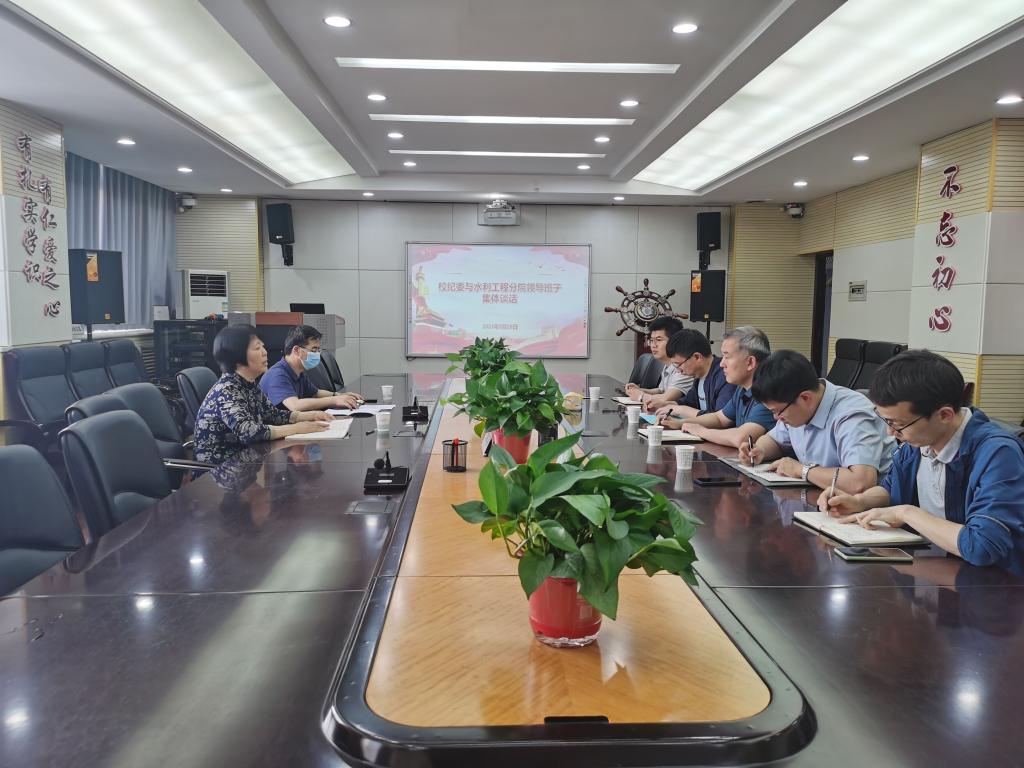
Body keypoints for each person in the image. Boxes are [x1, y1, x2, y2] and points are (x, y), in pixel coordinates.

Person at [821, 350, 1024, 570]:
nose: (890, 432)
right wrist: (859, 501)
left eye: (898, 424)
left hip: (988, 582)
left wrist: (906, 513)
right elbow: (892, 488)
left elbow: (983, 546)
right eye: (886, 421)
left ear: (944, 415)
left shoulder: (998, 453)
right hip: (933, 568)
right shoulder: (919, 439)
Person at [742, 350, 895, 494]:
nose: (776, 418)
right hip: (822, 498)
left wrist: (801, 470)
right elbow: (775, 440)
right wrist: (759, 450)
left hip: (873, 506)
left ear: (805, 398)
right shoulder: (795, 407)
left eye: (778, 411)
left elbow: (860, 482)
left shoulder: (851, 414)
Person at [194, 325, 331, 464]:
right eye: (257, 348)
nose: (265, 352)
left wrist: (310, 416)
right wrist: (296, 428)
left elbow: (272, 414)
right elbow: (249, 432)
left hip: (247, 461)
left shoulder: (249, 385)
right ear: (237, 355)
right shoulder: (227, 390)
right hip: (220, 469)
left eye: (263, 347)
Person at [660, 326, 775, 448]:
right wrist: (680, 423)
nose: (721, 364)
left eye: (727, 357)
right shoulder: (742, 389)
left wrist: (701, 431)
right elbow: (719, 418)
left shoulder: (769, 393)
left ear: (750, 362)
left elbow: (742, 437)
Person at [259, 325, 362, 412]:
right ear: (297, 350)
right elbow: (295, 405)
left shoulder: (299, 371)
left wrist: (338, 395)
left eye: (318, 350)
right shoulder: (278, 374)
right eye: (314, 350)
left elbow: (315, 393)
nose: (317, 354)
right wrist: (334, 400)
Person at [655, 328, 735, 420]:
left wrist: (681, 410)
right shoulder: (699, 376)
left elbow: (721, 418)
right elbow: (688, 402)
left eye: (678, 364)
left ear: (697, 357)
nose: (678, 370)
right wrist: (666, 405)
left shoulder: (725, 376)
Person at [624, 316, 693, 412]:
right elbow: (661, 390)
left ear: (674, 341)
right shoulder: (667, 365)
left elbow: (665, 398)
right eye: (652, 340)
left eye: (659, 340)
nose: (653, 345)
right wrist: (640, 390)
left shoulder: (684, 368)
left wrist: (640, 396)